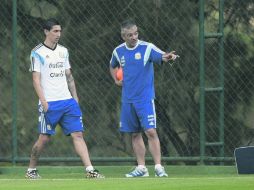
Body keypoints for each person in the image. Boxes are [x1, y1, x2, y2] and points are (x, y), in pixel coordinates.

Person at [26, 18, 104, 179]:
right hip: (50, 103)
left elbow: (69, 76)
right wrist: (44, 102)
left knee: (78, 135)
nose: (58, 34)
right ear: (46, 32)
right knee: (44, 138)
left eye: (60, 31)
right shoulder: (37, 52)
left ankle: (90, 170)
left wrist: (75, 98)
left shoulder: (63, 51)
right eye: (55, 31)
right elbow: (36, 80)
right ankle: (31, 170)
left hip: (68, 102)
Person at [109, 19, 179, 177]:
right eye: (129, 35)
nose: (134, 37)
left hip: (145, 99)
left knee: (150, 131)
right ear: (123, 36)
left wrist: (168, 57)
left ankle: (159, 167)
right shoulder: (118, 51)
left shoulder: (147, 48)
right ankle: (141, 168)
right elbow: (112, 65)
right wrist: (116, 79)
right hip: (128, 100)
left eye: (135, 33)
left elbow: (161, 56)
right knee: (134, 133)